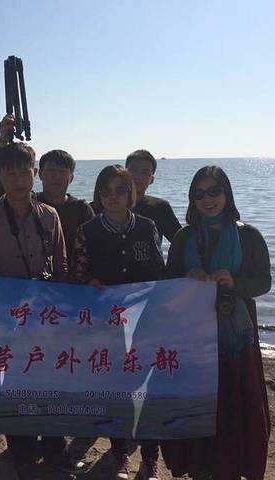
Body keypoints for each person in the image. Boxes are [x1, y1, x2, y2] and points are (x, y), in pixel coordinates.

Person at [0, 142, 78, 480]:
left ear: (34, 173)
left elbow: (62, 266)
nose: (17, 180)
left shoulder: (50, 215)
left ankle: (55, 449)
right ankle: (22, 452)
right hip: (7, 322)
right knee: (14, 386)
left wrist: (65, 311)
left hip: (46, 317)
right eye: (9, 173)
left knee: (52, 382)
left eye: (23, 172)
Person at [160, 165, 271, 480]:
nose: (207, 200)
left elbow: (264, 282)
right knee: (198, 402)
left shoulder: (248, 235)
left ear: (227, 193)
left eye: (214, 191)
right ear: (192, 199)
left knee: (235, 402)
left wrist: (235, 283)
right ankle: (199, 466)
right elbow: (168, 283)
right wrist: (187, 278)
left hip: (237, 336)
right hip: (192, 335)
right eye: (199, 194)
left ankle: (232, 466)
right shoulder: (183, 237)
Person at [72, 165, 164, 480]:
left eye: (120, 190)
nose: (113, 197)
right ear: (99, 195)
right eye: (106, 191)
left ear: (131, 193)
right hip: (106, 324)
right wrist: (89, 283)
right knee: (115, 389)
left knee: (146, 389)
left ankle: (150, 459)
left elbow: (159, 270)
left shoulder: (147, 226)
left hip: (144, 321)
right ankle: (120, 455)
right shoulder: (88, 230)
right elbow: (78, 274)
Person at [0, 114, 95, 257]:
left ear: (71, 178)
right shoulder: (26, 202)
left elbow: (97, 245)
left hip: (72, 270)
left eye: (62, 172)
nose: (56, 176)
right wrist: (2, 141)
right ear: (39, 174)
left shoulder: (82, 209)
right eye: (51, 171)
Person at [91, 150, 181, 250]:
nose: (138, 176)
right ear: (124, 173)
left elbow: (181, 244)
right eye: (133, 169)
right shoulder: (99, 206)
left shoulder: (160, 207)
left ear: (151, 180)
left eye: (145, 172)